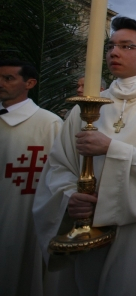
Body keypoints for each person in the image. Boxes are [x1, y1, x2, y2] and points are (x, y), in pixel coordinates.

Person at [33, 17, 136, 296]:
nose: (113, 52)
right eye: (110, 46)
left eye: (126, 46)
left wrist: (111, 149)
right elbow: (59, 163)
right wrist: (70, 196)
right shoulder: (90, 104)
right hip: (84, 222)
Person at [0, 60, 63, 296]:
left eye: (9, 78)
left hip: (25, 211)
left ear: (30, 83)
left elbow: (61, 171)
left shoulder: (49, 123)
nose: (1, 83)